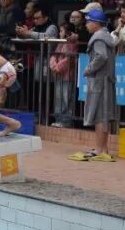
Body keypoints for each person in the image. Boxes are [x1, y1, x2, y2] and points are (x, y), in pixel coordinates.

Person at [68, 9, 118, 162]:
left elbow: (101, 56)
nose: (86, 25)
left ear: (96, 23)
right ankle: (103, 148)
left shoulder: (98, 38)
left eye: (88, 22)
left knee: (99, 115)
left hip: (100, 81)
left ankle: (100, 149)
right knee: (103, 115)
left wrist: (89, 69)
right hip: (105, 80)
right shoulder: (105, 35)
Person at [49, 22, 78, 128]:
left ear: (67, 32)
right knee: (58, 98)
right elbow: (54, 56)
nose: (59, 33)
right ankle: (58, 119)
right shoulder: (60, 42)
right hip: (58, 76)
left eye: (61, 31)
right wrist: (53, 66)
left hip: (67, 76)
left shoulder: (72, 43)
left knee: (66, 98)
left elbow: (69, 59)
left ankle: (66, 121)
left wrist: (57, 67)